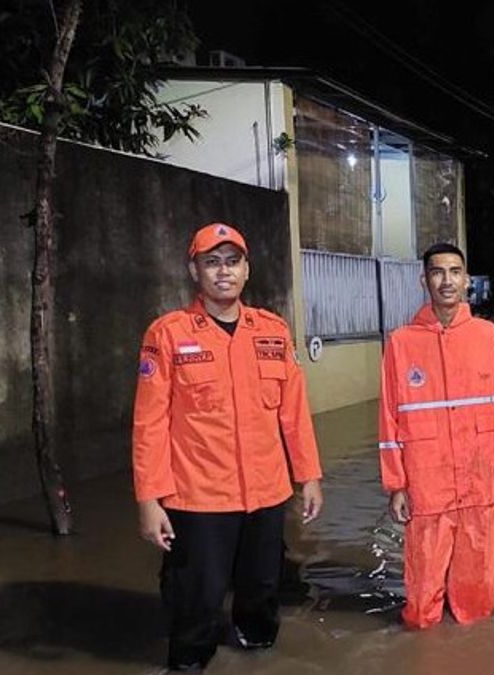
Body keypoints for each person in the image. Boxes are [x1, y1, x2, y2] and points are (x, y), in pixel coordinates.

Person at [132, 222, 323, 670]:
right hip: (199, 498)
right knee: (197, 595)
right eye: (211, 262)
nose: (223, 272)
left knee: (262, 588)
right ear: (194, 271)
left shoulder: (273, 332)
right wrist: (149, 500)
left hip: (267, 493)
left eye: (232, 261)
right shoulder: (168, 334)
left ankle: (257, 650)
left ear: (246, 269)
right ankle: (189, 662)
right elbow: (149, 425)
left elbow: (293, 413)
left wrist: (309, 476)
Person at [378, 242, 494, 630]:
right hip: (428, 484)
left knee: (477, 596)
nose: (447, 281)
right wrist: (397, 485)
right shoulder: (401, 343)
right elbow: (389, 423)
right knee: (422, 599)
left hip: (481, 480)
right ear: (424, 280)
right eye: (438, 272)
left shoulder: (486, 336)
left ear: (466, 280)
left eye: (455, 272)